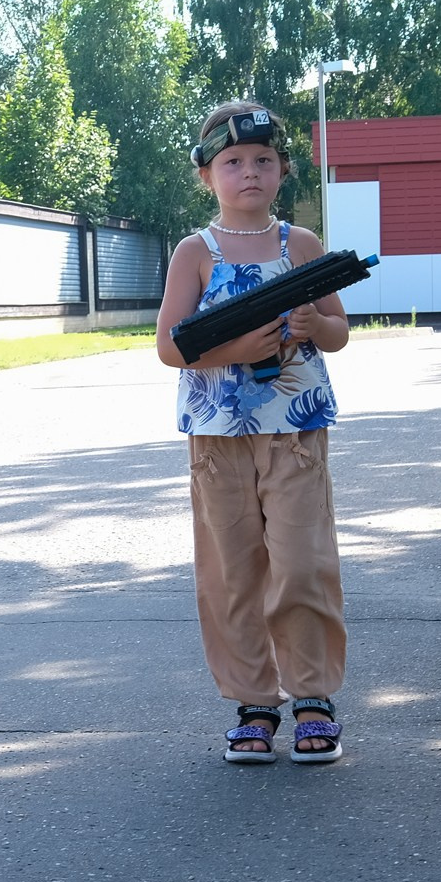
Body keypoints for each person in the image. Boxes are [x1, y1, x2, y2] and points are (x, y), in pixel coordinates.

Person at [156, 101, 353, 764]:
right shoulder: (195, 252)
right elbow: (170, 346)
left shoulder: (301, 246)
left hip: (295, 431)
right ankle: (254, 702)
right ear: (207, 175)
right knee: (235, 571)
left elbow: (339, 330)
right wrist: (238, 346)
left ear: (284, 171)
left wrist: (310, 327)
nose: (250, 173)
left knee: (302, 562)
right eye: (233, 162)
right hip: (218, 438)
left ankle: (314, 697)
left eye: (264, 161)